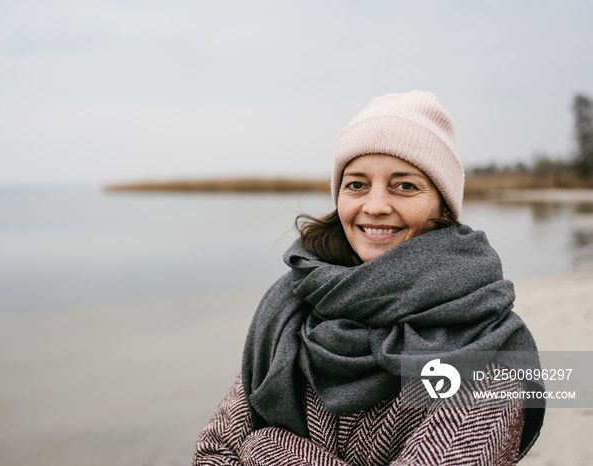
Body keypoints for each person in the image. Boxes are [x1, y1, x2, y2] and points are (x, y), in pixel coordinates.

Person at [193, 91, 544, 465]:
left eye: (405, 185)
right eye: (357, 184)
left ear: (443, 206)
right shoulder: (293, 306)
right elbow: (212, 451)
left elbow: (243, 450)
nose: (374, 207)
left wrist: (268, 450)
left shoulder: (484, 354)